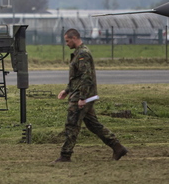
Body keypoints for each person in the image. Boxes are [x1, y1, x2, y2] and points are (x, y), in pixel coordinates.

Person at [54, 28, 128, 163]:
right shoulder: (78, 53)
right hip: (81, 94)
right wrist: (67, 90)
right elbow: (77, 77)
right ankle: (117, 147)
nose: (66, 44)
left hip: (82, 96)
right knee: (93, 125)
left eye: (67, 41)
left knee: (72, 124)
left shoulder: (83, 54)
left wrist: (82, 98)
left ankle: (65, 155)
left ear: (74, 38)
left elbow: (86, 77)